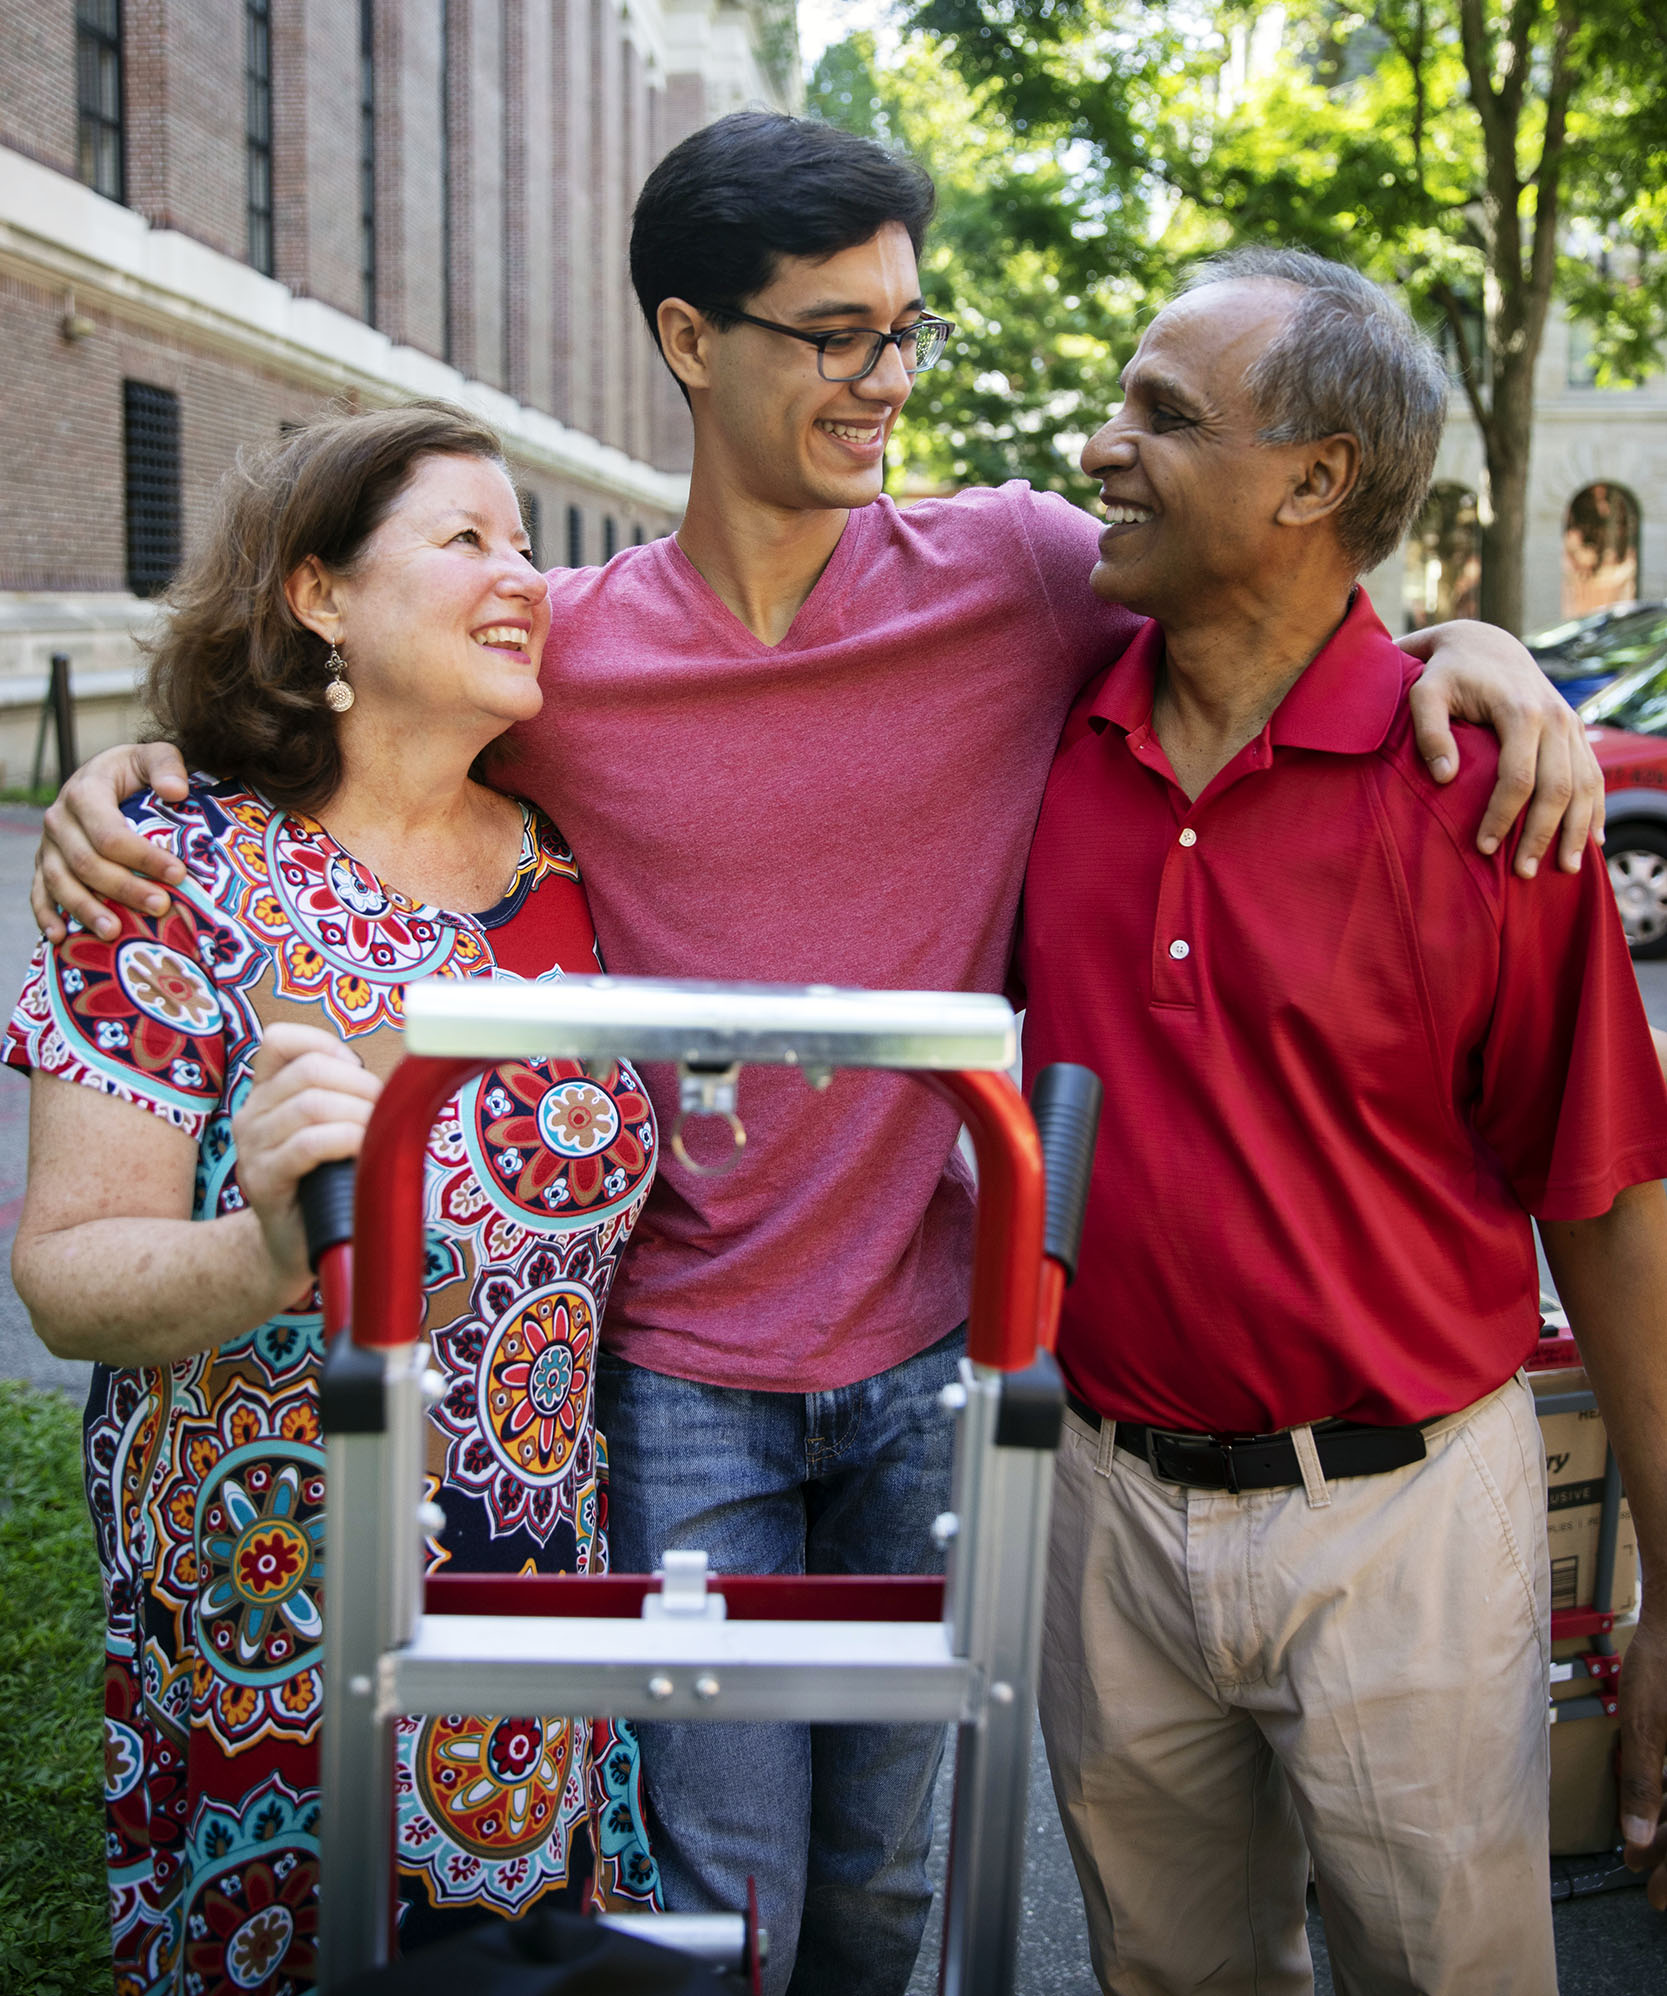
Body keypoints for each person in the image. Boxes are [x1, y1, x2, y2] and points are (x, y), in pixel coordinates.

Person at [31, 117, 1605, 1996]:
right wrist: (129, 773)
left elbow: (1270, 598)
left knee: (887, 1886)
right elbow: (349, 752)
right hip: (684, 1368)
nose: (886, 383)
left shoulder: (1019, 578)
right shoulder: (562, 664)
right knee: (726, 1896)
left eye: (907, 333)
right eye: (837, 336)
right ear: (696, 341)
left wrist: (1478, 642)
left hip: (936, 1348)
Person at [1018, 249, 1667, 1996]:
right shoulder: (1049, 724)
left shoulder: (1488, 791)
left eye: (1164, 415)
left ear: (1316, 479)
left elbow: (1606, 1200)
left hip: (1404, 1529)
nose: (1101, 446)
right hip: (1104, 1508)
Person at [8, 407, 660, 1994]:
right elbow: (70, 1273)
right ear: (318, 595)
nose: (525, 579)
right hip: (265, 1610)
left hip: (527, 1598)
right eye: (467, 541)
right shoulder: (170, 870)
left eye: (530, 545)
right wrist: (267, 1246)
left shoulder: (574, 869)